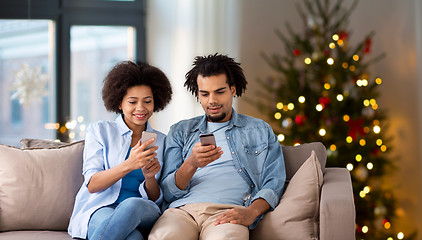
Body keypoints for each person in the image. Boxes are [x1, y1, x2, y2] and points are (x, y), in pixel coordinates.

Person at [149, 53, 286, 240]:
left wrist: (251, 212)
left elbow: (274, 182)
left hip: (227, 212)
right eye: (204, 94)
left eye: (219, 92)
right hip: (182, 212)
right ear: (198, 94)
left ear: (233, 90)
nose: (211, 100)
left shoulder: (259, 129)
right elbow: (167, 192)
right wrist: (191, 164)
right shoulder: (181, 131)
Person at [68, 61, 172, 240]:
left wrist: (149, 178)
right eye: (132, 102)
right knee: (134, 238)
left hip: (143, 211)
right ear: (119, 103)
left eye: (147, 101)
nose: (141, 108)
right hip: (101, 208)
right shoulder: (100, 131)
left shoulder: (162, 140)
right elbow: (92, 184)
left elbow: (156, 199)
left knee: (132, 205)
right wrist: (129, 164)